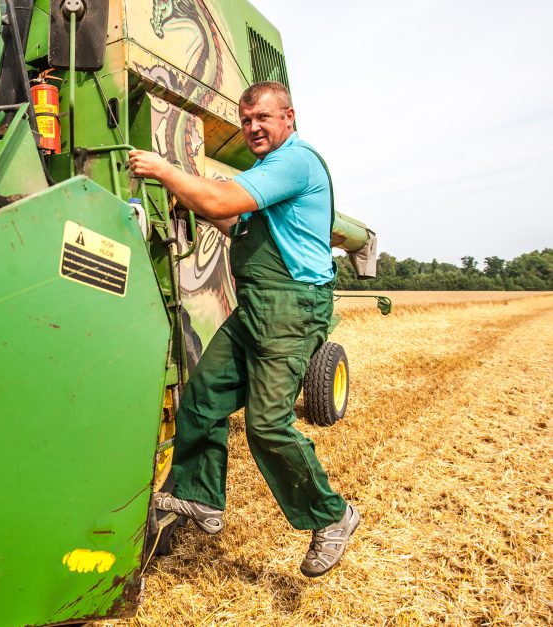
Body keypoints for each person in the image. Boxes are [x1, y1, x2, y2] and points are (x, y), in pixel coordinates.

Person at [127, 81, 359, 578]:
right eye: (247, 119)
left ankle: (332, 515)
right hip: (257, 303)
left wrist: (166, 172)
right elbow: (242, 225)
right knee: (203, 396)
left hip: (292, 307)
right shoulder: (265, 171)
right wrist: (192, 204)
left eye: (264, 118)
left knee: (267, 424)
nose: (253, 127)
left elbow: (221, 203)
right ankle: (199, 495)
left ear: (289, 118)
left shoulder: (295, 163)